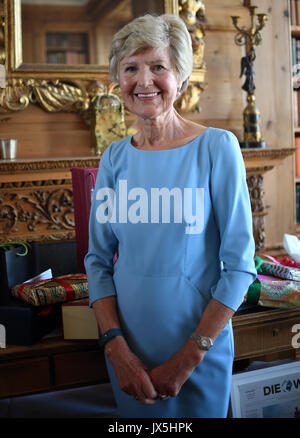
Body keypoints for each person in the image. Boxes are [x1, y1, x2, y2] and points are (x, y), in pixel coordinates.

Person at [84, 13, 256, 418]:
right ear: (119, 80)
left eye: (157, 67)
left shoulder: (218, 148)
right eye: (130, 69)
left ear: (179, 75)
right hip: (128, 358)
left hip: (199, 354)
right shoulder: (114, 158)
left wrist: (188, 359)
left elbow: (240, 267)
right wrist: (115, 347)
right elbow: (96, 261)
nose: (144, 82)